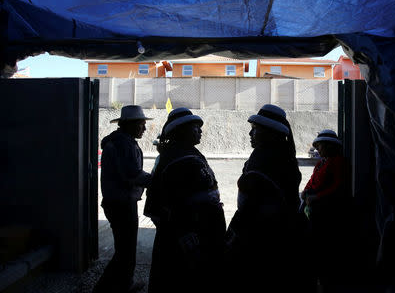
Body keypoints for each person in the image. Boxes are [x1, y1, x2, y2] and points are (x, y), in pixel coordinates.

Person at [225, 104, 315, 292]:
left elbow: (251, 207)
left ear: (271, 133)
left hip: (265, 239)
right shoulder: (280, 156)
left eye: (255, 130)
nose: (251, 135)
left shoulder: (264, 159)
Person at [143, 107, 226, 293]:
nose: (201, 130)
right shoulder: (181, 159)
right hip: (188, 239)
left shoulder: (180, 153)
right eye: (195, 127)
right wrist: (187, 239)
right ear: (182, 131)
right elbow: (171, 205)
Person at [93, 105, 153, 293]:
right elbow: (133, 174)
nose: (144, 128)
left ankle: (124, 283)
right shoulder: (124, 145)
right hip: (122, 204)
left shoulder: (119, 141)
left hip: (116, 202)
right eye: (141, 124)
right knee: (125, 251)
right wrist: (159, 180)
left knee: (125, 248)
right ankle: (104, 288)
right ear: (130, 125)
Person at [301, 129, 351, 285]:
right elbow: (312, 180)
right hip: (314, 207)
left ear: (329, 146)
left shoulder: (338, 162)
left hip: (327, 210)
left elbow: (338, 186)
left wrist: (317, 197)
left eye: (320, 146)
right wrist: (305, 191)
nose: (318, 149)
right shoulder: (320, 163)